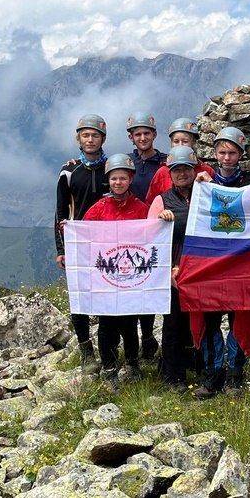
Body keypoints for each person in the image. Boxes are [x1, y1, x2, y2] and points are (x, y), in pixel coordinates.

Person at [193, 126, 250, 398]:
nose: (226, 157)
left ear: (240, 154)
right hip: (210, 263)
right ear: (214, 153)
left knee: (238, 318)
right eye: (222, 152)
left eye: (232, 152)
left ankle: (235, 373)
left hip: (241, 264)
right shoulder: (203, 183)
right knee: (210, 319)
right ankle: (213, 374)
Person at [82, 153, 150, 391]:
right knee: (107, 324)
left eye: (122, 178)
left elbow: (152, 237)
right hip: (106, 280)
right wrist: (70, 230)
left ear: (130, 179)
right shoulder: (98, 208)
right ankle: (109, 368)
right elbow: (84, 234)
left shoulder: (141, 208)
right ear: (108, 181)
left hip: (131, 278)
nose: (118, 183)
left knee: (130, 323)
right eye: (114, 179)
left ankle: (132, 364)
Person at [55, 114, 110, 375]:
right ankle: (86, 350)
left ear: (103, 139)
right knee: (80, 297)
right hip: (79, 242)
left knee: (109, 294)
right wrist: (61, 249)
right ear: (78, 138)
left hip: (108, 241)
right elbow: (60, 212)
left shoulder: (113, 168)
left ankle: (108, 348)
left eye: (95, 135)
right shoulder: (68, 171)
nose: (90, 139)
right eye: (85, 135)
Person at [148, 146, 200, 391]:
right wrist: (167, 270)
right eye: (176, 170)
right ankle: (173, 376)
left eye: (186, 169)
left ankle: (201, 368)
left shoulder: (206, 194)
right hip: (174, 271)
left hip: (201, 269)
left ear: (194, 170)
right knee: (173, 324)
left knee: (201, 322)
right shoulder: (161, 200)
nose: (181, 174)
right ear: (169, 173)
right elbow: (149, 240)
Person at [126, 112, 166, 362]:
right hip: (130, 232)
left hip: (157, 232)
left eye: (146, 133)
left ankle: (149, 336)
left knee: (150, 285)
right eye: (137, 134)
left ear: (154, 135)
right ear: (131, 137)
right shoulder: (126, 162)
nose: (142, 137)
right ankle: (138, 341)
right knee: (132, 284)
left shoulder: (164, 162)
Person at [145, 117, 214, 205]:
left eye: (185, 141)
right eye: (176, 141)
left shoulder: (206, 171)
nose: (180, 145)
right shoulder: (162, 172)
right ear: (171, 143)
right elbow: (151, 203)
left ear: (193, 142)